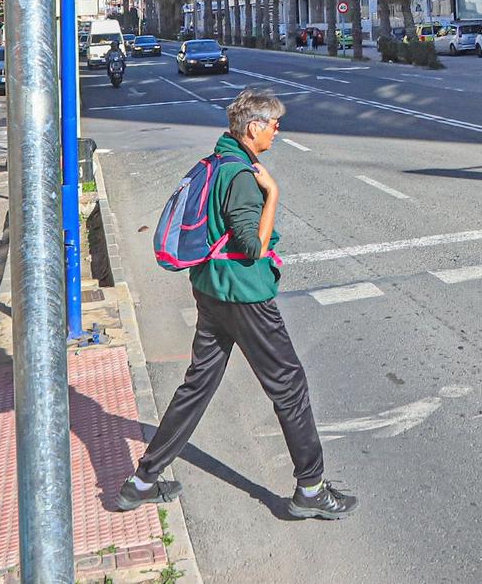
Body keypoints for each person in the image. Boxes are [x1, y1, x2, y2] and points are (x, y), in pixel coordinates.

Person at [119, 87, 357, 521]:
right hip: (244, 294)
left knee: (197, 386)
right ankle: (311, 487)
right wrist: (273, 195)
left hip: (211, 291)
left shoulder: (217, 160)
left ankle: (142, 481)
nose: (278, 129)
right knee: (289, 386)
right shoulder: (244, 176)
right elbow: (252, 246)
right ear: (253, 128)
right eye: (273, 123)